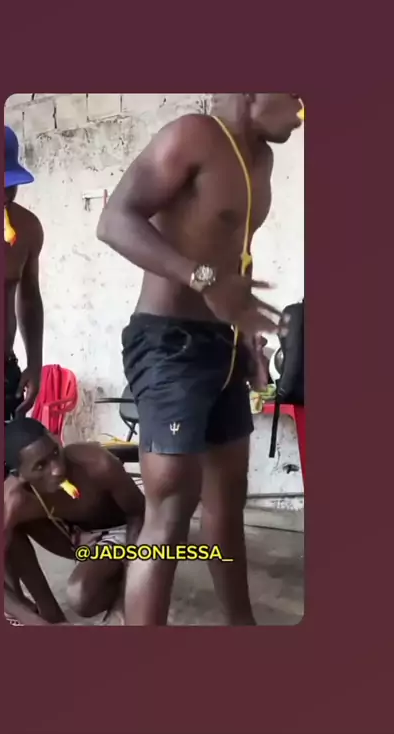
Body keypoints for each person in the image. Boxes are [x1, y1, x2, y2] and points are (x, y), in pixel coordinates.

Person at [97, 93, 302, 625]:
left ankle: (242, 633)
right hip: (168, 342)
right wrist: (203, 279)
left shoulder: (261, 157)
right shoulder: (192, 136)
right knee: (170, 512)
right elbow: (114, 221)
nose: (303, 112)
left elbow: (234, 252)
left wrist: (246, 331)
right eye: (297, 96)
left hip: (224, 344)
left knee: (228, 501)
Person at [4, 418, 145, 624]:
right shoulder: (13, 500)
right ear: (20, 475)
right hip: (75, 535)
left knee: (82, 597)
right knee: (12, 527)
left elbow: (139, 513)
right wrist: (32, 620)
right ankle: (50, 614)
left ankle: (122, 585)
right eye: (40, 466)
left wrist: (126, 594)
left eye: (55, 453)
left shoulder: (96, 464)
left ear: (55, 439)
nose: (57, 469)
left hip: (121, 530)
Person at [4, 126, 44, 424]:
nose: (6, 194)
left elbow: (29, 298)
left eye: (10, 184)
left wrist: (35, 364)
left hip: (4, 370)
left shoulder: (27, 228)